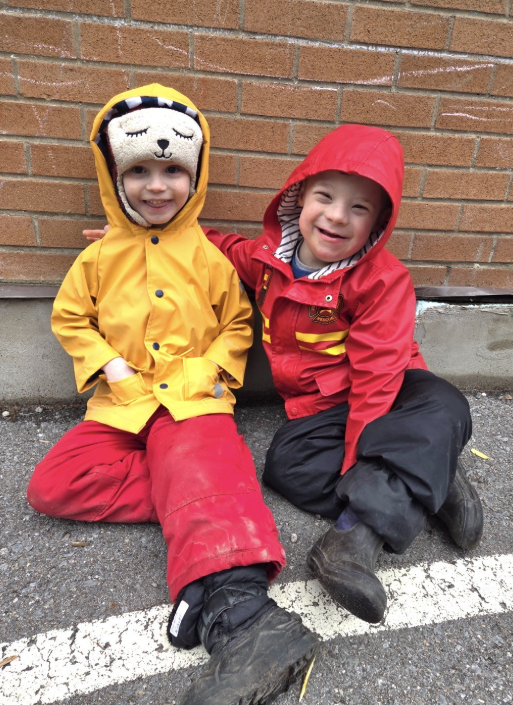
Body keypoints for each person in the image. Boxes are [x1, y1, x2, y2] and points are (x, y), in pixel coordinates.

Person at [86, 123, 483, 627]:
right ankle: (432, 473)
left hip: (392, 397)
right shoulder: (269, 260)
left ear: (379, 223)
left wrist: (354, 462)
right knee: (285, 466)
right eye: (326, 197)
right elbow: (216, 246)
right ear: (298, 199)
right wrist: (142, 241)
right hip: (320, 408)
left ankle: (352, 539)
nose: (337, 216)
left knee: (445, 405)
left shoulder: (383, 280)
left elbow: (377, 382)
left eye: (359, 208)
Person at [27, 84, 319, 705]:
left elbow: (239, 323)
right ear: (114, 175)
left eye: (171, 171)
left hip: (191, 395)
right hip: (125, 399)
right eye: (138, 171)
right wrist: (106, 364)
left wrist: (216, 368)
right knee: (51, 484)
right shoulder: (98, 257)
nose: (156, 186)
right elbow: (71, 319)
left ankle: (244, 621)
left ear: (194, 177)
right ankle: (207, 498)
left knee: (189, 453)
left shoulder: (209, 257)